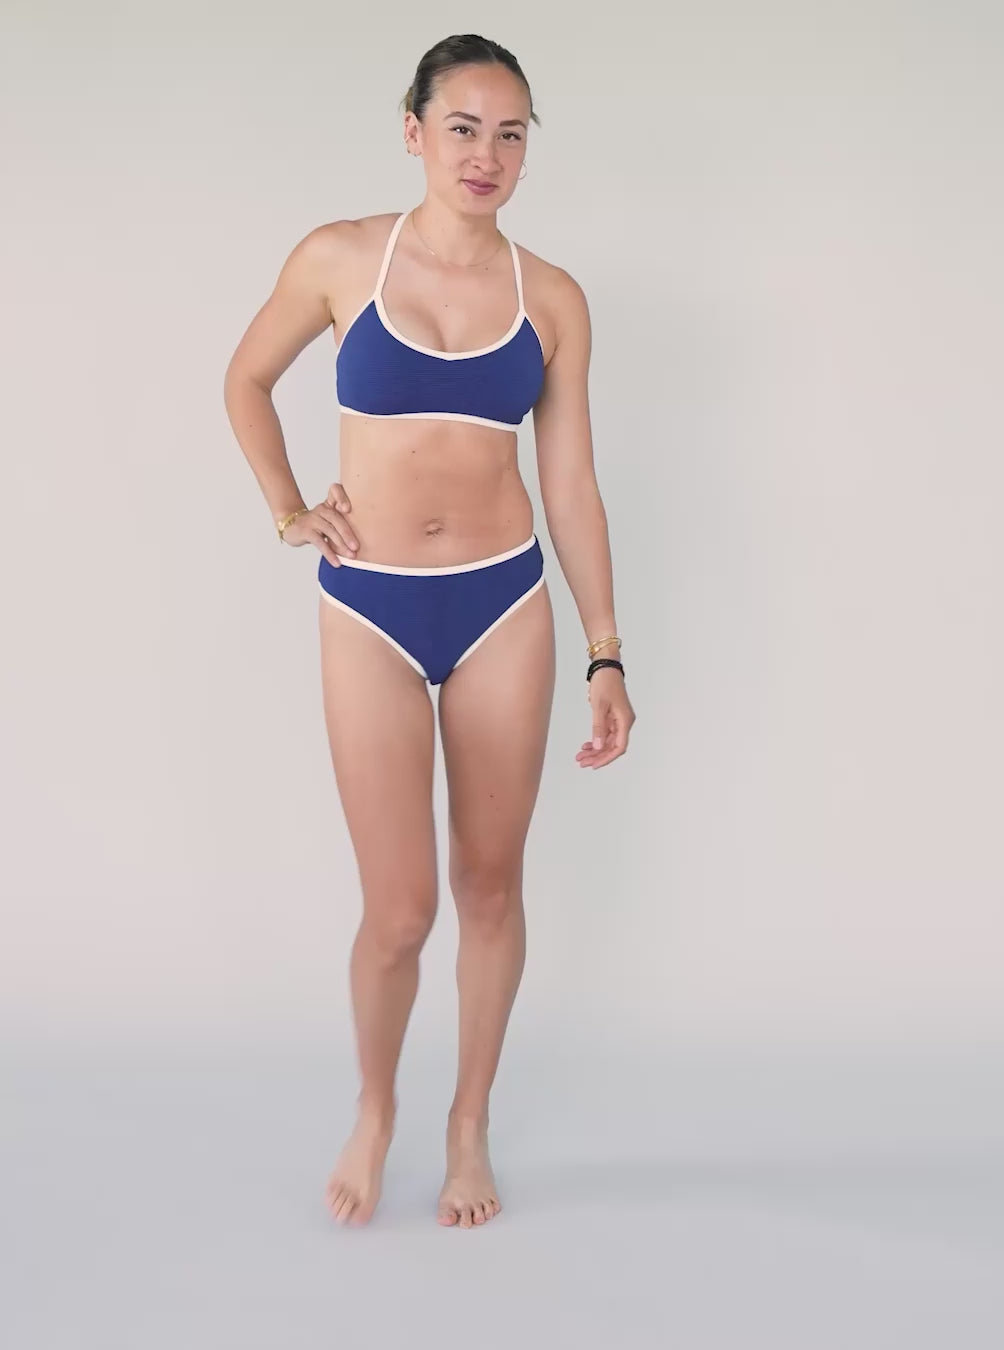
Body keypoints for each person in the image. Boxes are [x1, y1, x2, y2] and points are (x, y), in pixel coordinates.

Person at [223, 33, 635, 1230]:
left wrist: (606, 647)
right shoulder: (340, 257)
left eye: (510, 134)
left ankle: (468, 1124)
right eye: (462, 128)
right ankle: (375, 1106)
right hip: (372, 606)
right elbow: (244, 380)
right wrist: (289, 508)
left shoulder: (552, 300)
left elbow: (572, 485)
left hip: (504, 603)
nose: (485, 154)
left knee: (490, 888)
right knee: (400, 911)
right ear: (413, 132)